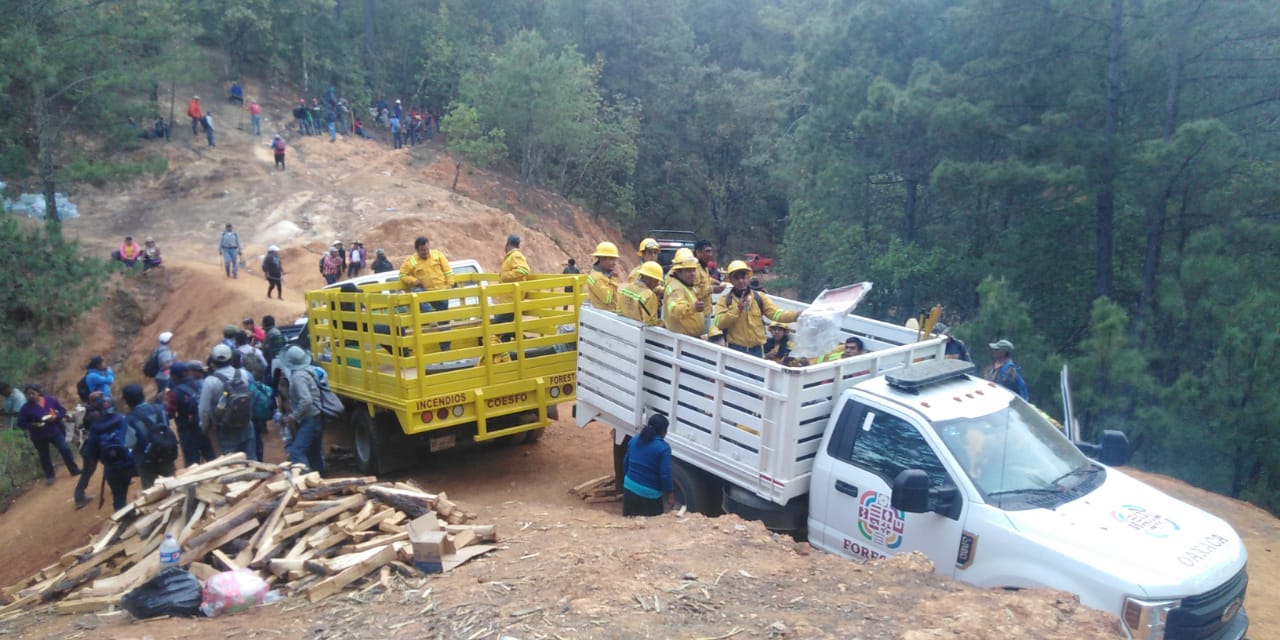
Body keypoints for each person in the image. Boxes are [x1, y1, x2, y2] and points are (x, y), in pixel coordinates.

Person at [714, 260, 801, 357]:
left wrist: (798, 315)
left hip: (757, 350)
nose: (741, 281)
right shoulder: (725, 300)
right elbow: (718, 323)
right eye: (736, 278)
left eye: (743, 277)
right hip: (736, 350)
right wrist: (737, 310)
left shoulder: (759, 298)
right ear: (730, 280)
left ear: (748, 277)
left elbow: (777, 314)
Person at [74, 395, 144, 510]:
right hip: (130, 464)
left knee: (119, 499)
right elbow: (135, 440)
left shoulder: (94, 428)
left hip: (112, 469)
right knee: (149, 478)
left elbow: (91, 452)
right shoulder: (123, 419)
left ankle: (123, 517)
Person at [199, 344, 256, 458]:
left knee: (232, 463)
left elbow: (204, 410)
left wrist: (205, 427)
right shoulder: (243, 374)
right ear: (230, 359)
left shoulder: (210, 382)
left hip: (225, 428)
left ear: (212, 362)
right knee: (251, 459)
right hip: (246, 423)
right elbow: (252, 395)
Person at [16, 384, 81, 484]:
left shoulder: (50, 400)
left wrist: (56, 417)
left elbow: (62, 410)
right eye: (28, 394)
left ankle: (74, 469)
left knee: (65, 449)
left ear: (38, 392)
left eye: (33, 393)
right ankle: (50, 476)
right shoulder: (25, 408)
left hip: (54, 430)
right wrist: (33, 424)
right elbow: (21, 423)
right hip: (38, 435)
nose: (31, 396)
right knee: (44, 455)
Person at [122, 383, 175, 489]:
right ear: (143, 395)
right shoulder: (160, 409)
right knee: (173, 484)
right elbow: (167, 427)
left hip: (146, 460)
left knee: (151, 490)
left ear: (127, 401)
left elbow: (130, 443)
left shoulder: (130, 420)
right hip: (166, 453)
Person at [281, 346, 324, 473]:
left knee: (296, 452)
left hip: (309, 419)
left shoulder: (297, 377)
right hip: (316, 416)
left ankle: (305, 478)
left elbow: (306, 400)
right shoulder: (309, 371)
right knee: (314, 452)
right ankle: (320, 477)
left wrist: (293, 416)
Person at [621, 414, 673, 517]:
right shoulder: (664, 448)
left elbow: (625, 463)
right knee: (651, 525)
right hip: (650, 496)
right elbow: (665, 475)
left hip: (629, 489)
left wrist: (630, 482)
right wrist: (670, 495)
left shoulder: (634, 440)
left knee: (628, 523)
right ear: (663, 431)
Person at [169, 362, 215, 467]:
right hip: (203, 424)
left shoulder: (175, 393)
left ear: (175, 376)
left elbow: (170, 413)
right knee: (210, 457)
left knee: (192, 462)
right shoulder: (200, 383)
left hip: (187, 430)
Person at [495, 234, 530, 340]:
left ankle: (512, 344)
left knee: (499, 325)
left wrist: (505, 276)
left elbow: (524, 270)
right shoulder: (511, 256)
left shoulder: (515, 256)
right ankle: (518, 340)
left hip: (512, 299)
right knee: (506, 327)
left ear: (507, 244)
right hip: (508, 299)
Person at [663, 254, 705, 337]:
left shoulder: (685, 284)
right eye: (688, 271)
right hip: (682, 340)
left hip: (686, 338)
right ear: (678, 272)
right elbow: (675, 310)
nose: (693, 274)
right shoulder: (677, 288)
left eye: (694, 270)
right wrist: (693, 307)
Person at [619, 261, 663, 327]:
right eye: (657, 280)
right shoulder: (649, 295)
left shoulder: (625, 289)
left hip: (623, 327)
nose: (657, 284)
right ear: (650, 279)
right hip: (639, 331)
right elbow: (650, 323)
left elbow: (619, 311)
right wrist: (663, 324)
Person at [585, 241, 621, 312]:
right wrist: (613, 279)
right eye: (612, 259)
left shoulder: (604, 274)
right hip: (604, 314)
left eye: (614, 259)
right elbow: (607, 299)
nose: (614, 263)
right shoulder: (596, 277)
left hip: (607, 313)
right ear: (602, 259)